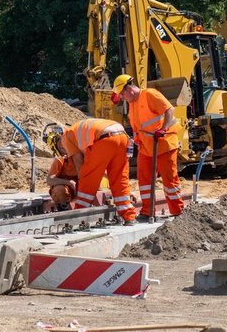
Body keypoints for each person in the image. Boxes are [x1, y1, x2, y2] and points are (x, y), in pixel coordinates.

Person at [111, 74, 184, 220]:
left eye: (122, 94)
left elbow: (169, 110)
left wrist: (163, 129)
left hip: (164, 144)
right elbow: (139, 127)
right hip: (146, 147)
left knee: (169, 180)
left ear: (128, 89)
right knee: (144, 180)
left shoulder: (150, 94)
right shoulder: (132, 104)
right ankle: (147, 211)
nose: (122, 98)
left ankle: (178, 211)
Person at [51, 118, 137, 224]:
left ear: (60, 146)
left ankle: (79, 216)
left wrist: (80, 187)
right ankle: (129, 216)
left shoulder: (66, 138)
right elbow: (103, 169)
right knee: (119, 178)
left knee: (87, 179)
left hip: (104, 138)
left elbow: (80, 165)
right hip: (122, 136)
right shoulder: (79, 134)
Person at [42, 123, 78, 211]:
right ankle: (63, 207)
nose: (63, 146)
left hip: (81, 189)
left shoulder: (80, 156)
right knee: (59, 190)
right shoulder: (60, 160)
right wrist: (70, 183)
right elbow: (50, 180)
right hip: (68, 190)